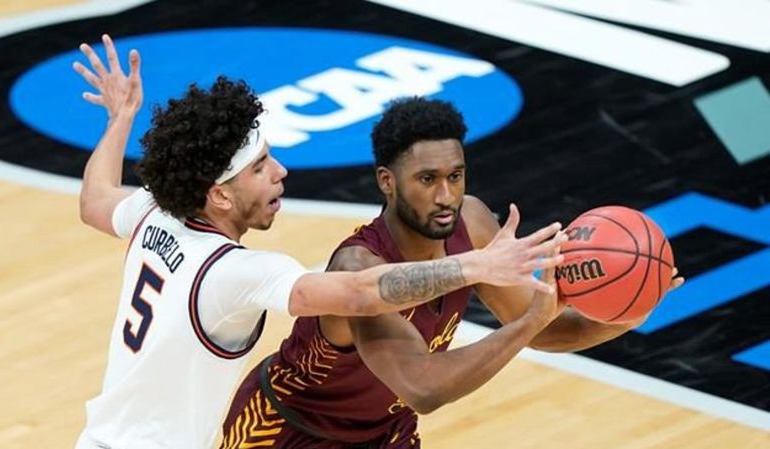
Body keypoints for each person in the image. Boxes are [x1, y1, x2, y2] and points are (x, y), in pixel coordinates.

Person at [71, 35, 567, 449]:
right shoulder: (231, 272)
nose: (280, 172)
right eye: (260, 167)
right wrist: (476, 267)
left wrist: (121, 118)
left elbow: (94, 200)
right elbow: (359, 292)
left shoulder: (155, 211)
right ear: (219, 194)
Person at [219, 97, 686, 449]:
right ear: (387, 181)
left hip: (384, 433)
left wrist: (625, 315)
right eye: (427, 180)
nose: (446, 196)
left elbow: (546, 331)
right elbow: (423, 387)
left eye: (455, 176)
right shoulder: (360, 267)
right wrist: (530, 322)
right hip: (289, 431)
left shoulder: (473, 224)